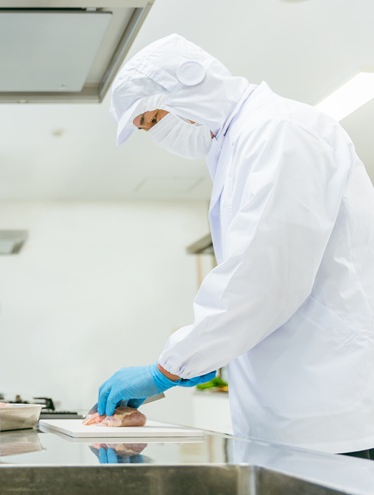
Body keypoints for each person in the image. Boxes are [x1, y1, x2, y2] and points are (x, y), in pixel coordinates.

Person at [97, 33, 374, 458]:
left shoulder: (281, 131)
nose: (158, 134)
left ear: (188, 86)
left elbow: (262, 277)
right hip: (286, 409)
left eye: (152, 120)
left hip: (329, 410)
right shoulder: (237, 142)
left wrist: (167, 369)